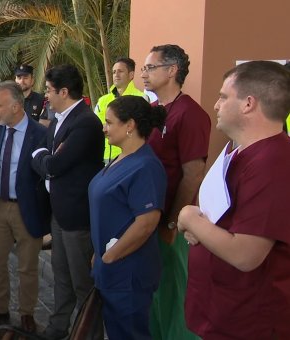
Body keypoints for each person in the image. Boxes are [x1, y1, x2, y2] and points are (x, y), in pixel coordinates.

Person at [180, 61, 290, 340]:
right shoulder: (242, 152)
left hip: (250, 322)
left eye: (223, 96)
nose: (216, 105)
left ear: (248, 103)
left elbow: (246, 254)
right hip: (223, 312)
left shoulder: (272, 162)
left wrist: (188, 217)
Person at [142, 44, 210, 340]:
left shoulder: (189, 113)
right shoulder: (155, 112)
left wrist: (172, 223)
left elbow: (193, 173)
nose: (143, 74)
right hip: (151, 219)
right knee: (156, 294)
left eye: (150, 68)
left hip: (173, 224)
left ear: (171, 71)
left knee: (174, 294)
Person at [31, 64, 104, 340]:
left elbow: (54, 165)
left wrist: (40, 156)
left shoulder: (85, 122)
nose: (46, 97)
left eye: (49, 90)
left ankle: (88, 333)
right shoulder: (61, 118)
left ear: (64, 91)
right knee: (61, 277)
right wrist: (45, 157)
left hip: (76, 218)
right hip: (59, 215)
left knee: (82, 282)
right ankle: (58, 327)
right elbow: (50, 158)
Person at [89, 95, 167, 340]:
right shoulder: (121, 157)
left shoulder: (145, 167)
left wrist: (111, 255)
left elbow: (146, 223)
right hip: (111, 267)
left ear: (130, 125)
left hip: (127, 274)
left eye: (110, 122)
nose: (104, 127)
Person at [0, 81, 49, 333]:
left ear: (16, 106)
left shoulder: (40, 134)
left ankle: (27, 314)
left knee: (27, 267)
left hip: (27, 209)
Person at [94, 57, 148, 162]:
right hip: (104, 158)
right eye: (114, 72)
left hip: (131, 156)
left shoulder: (141, 98)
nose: (116, 75)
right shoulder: (103, 100)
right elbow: (96, 126)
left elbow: (140, 129)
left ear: (131, 75)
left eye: (120, 71)